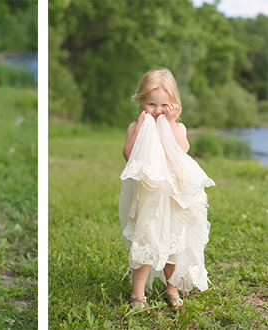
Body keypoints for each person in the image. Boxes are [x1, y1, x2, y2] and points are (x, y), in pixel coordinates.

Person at [119, 68, 215, 310]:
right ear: (141, 101)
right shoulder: (136, 126)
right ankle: (138, 292)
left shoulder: (178, 128)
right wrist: (140, 128)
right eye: (151, 104)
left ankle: (171, 287)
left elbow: (181, 150)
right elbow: (128, 155)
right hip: (148, 198)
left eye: (164, 105)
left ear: (174, 105)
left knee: (174, 245)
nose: (158, 110)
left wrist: (171, 123)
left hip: (173, 198)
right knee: (146, 241)